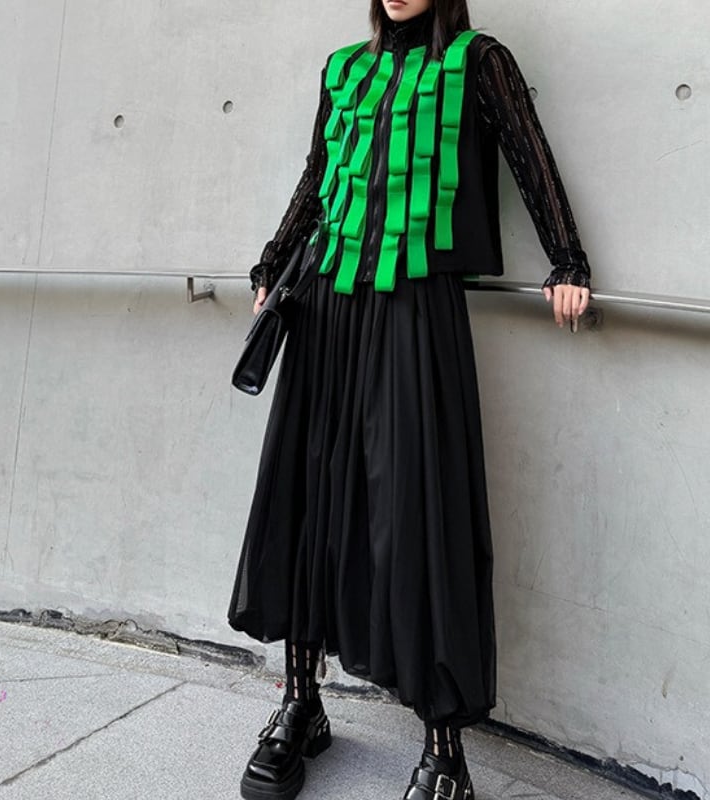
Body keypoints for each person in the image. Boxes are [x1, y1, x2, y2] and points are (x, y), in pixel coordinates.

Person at [228, 0, 592, 797]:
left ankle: (444, 751)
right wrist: (273, 259)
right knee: (309, 498)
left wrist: (567, 259)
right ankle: (301, 703)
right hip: (326, 305)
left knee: (420, 512)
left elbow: (531, 157)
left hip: (416, 311)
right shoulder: (344, 69)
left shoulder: (479, 62)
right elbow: (320, 176)